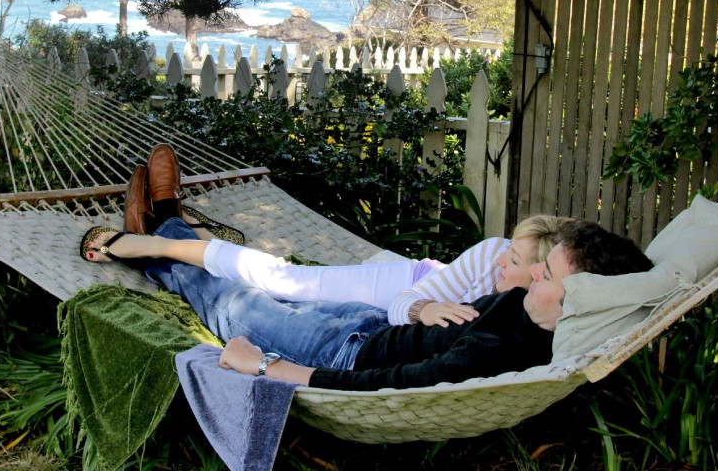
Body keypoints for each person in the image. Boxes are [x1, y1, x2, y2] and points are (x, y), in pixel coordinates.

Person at [82, 144, 654, 391]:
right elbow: (419, 320)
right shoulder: (520, 308)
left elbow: (385, 386)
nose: (532, 276)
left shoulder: (501, 351)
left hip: (341, 351)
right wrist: (423, 307)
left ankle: (159, 230)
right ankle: (162, 228)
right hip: (370, 319)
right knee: (254, 280)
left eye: (547, 276)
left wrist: (265, 370)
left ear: (579, 299)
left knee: (234, 303)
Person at [187, 214, 569, 327]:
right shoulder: (492, 255)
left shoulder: (543, 307)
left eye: (515, 261)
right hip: (410, 284)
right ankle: (155, 241)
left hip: (417, 297)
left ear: (542, 274)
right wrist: (425, 309)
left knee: (282, 303)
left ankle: (197, 234)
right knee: (290, 282)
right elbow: (403, 305)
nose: (502, 259)